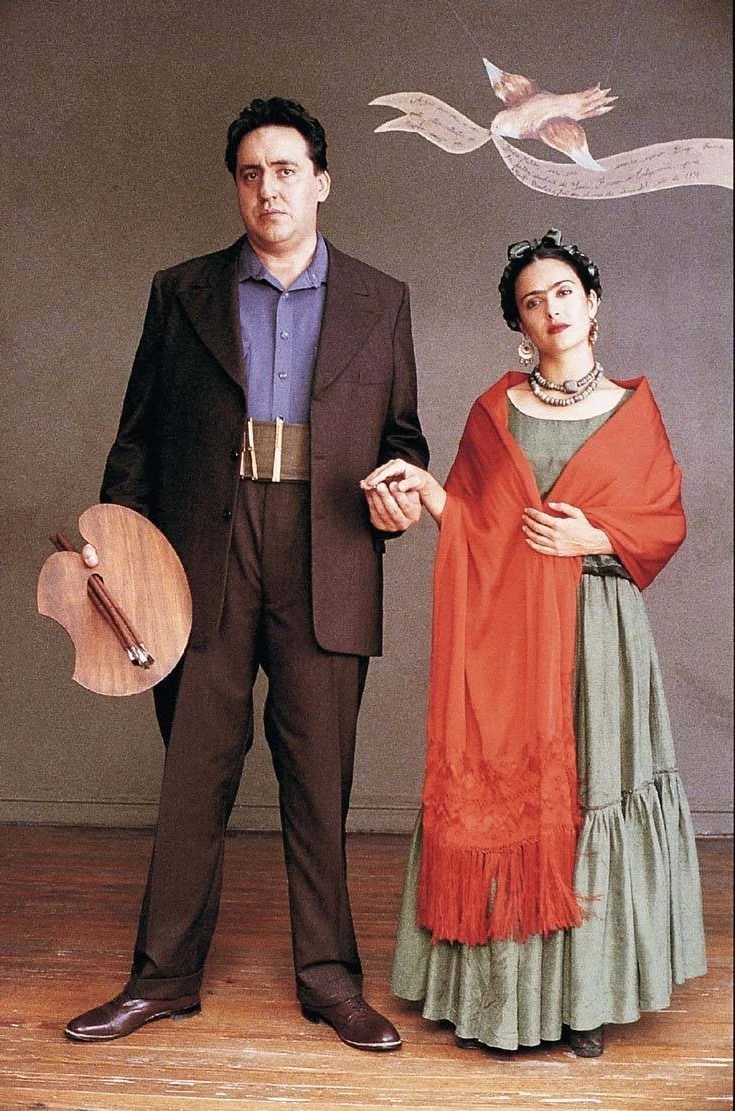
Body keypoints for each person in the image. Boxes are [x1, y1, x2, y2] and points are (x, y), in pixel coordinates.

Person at [65, 97, 429, 1051]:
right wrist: (117, 549)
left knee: (319, 776)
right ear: (237, 186)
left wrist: (398, 492)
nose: (270, 188)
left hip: (328, 545)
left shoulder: (381, 299)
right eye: (251, 172)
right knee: (194, 771)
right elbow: (136, 438)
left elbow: (403, 439)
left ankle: (332, 981)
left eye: (287, 169)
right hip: (200, 553)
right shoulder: (180, 291)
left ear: (322, 181)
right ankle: (161, 979)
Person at [361, 229, 707, 1057]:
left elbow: (664, 521)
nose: (550, 309)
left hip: (601, 637)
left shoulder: (634, 408)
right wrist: (431, 491)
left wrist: (598, 536)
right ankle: (498, 999)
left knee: (591, 796)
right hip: (513, 637)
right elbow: (478, 526)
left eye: (562, 292)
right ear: (519, 325)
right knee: (512, 794)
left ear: (592, 302)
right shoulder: (496, 412)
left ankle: (586, 1001)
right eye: (531, 302)